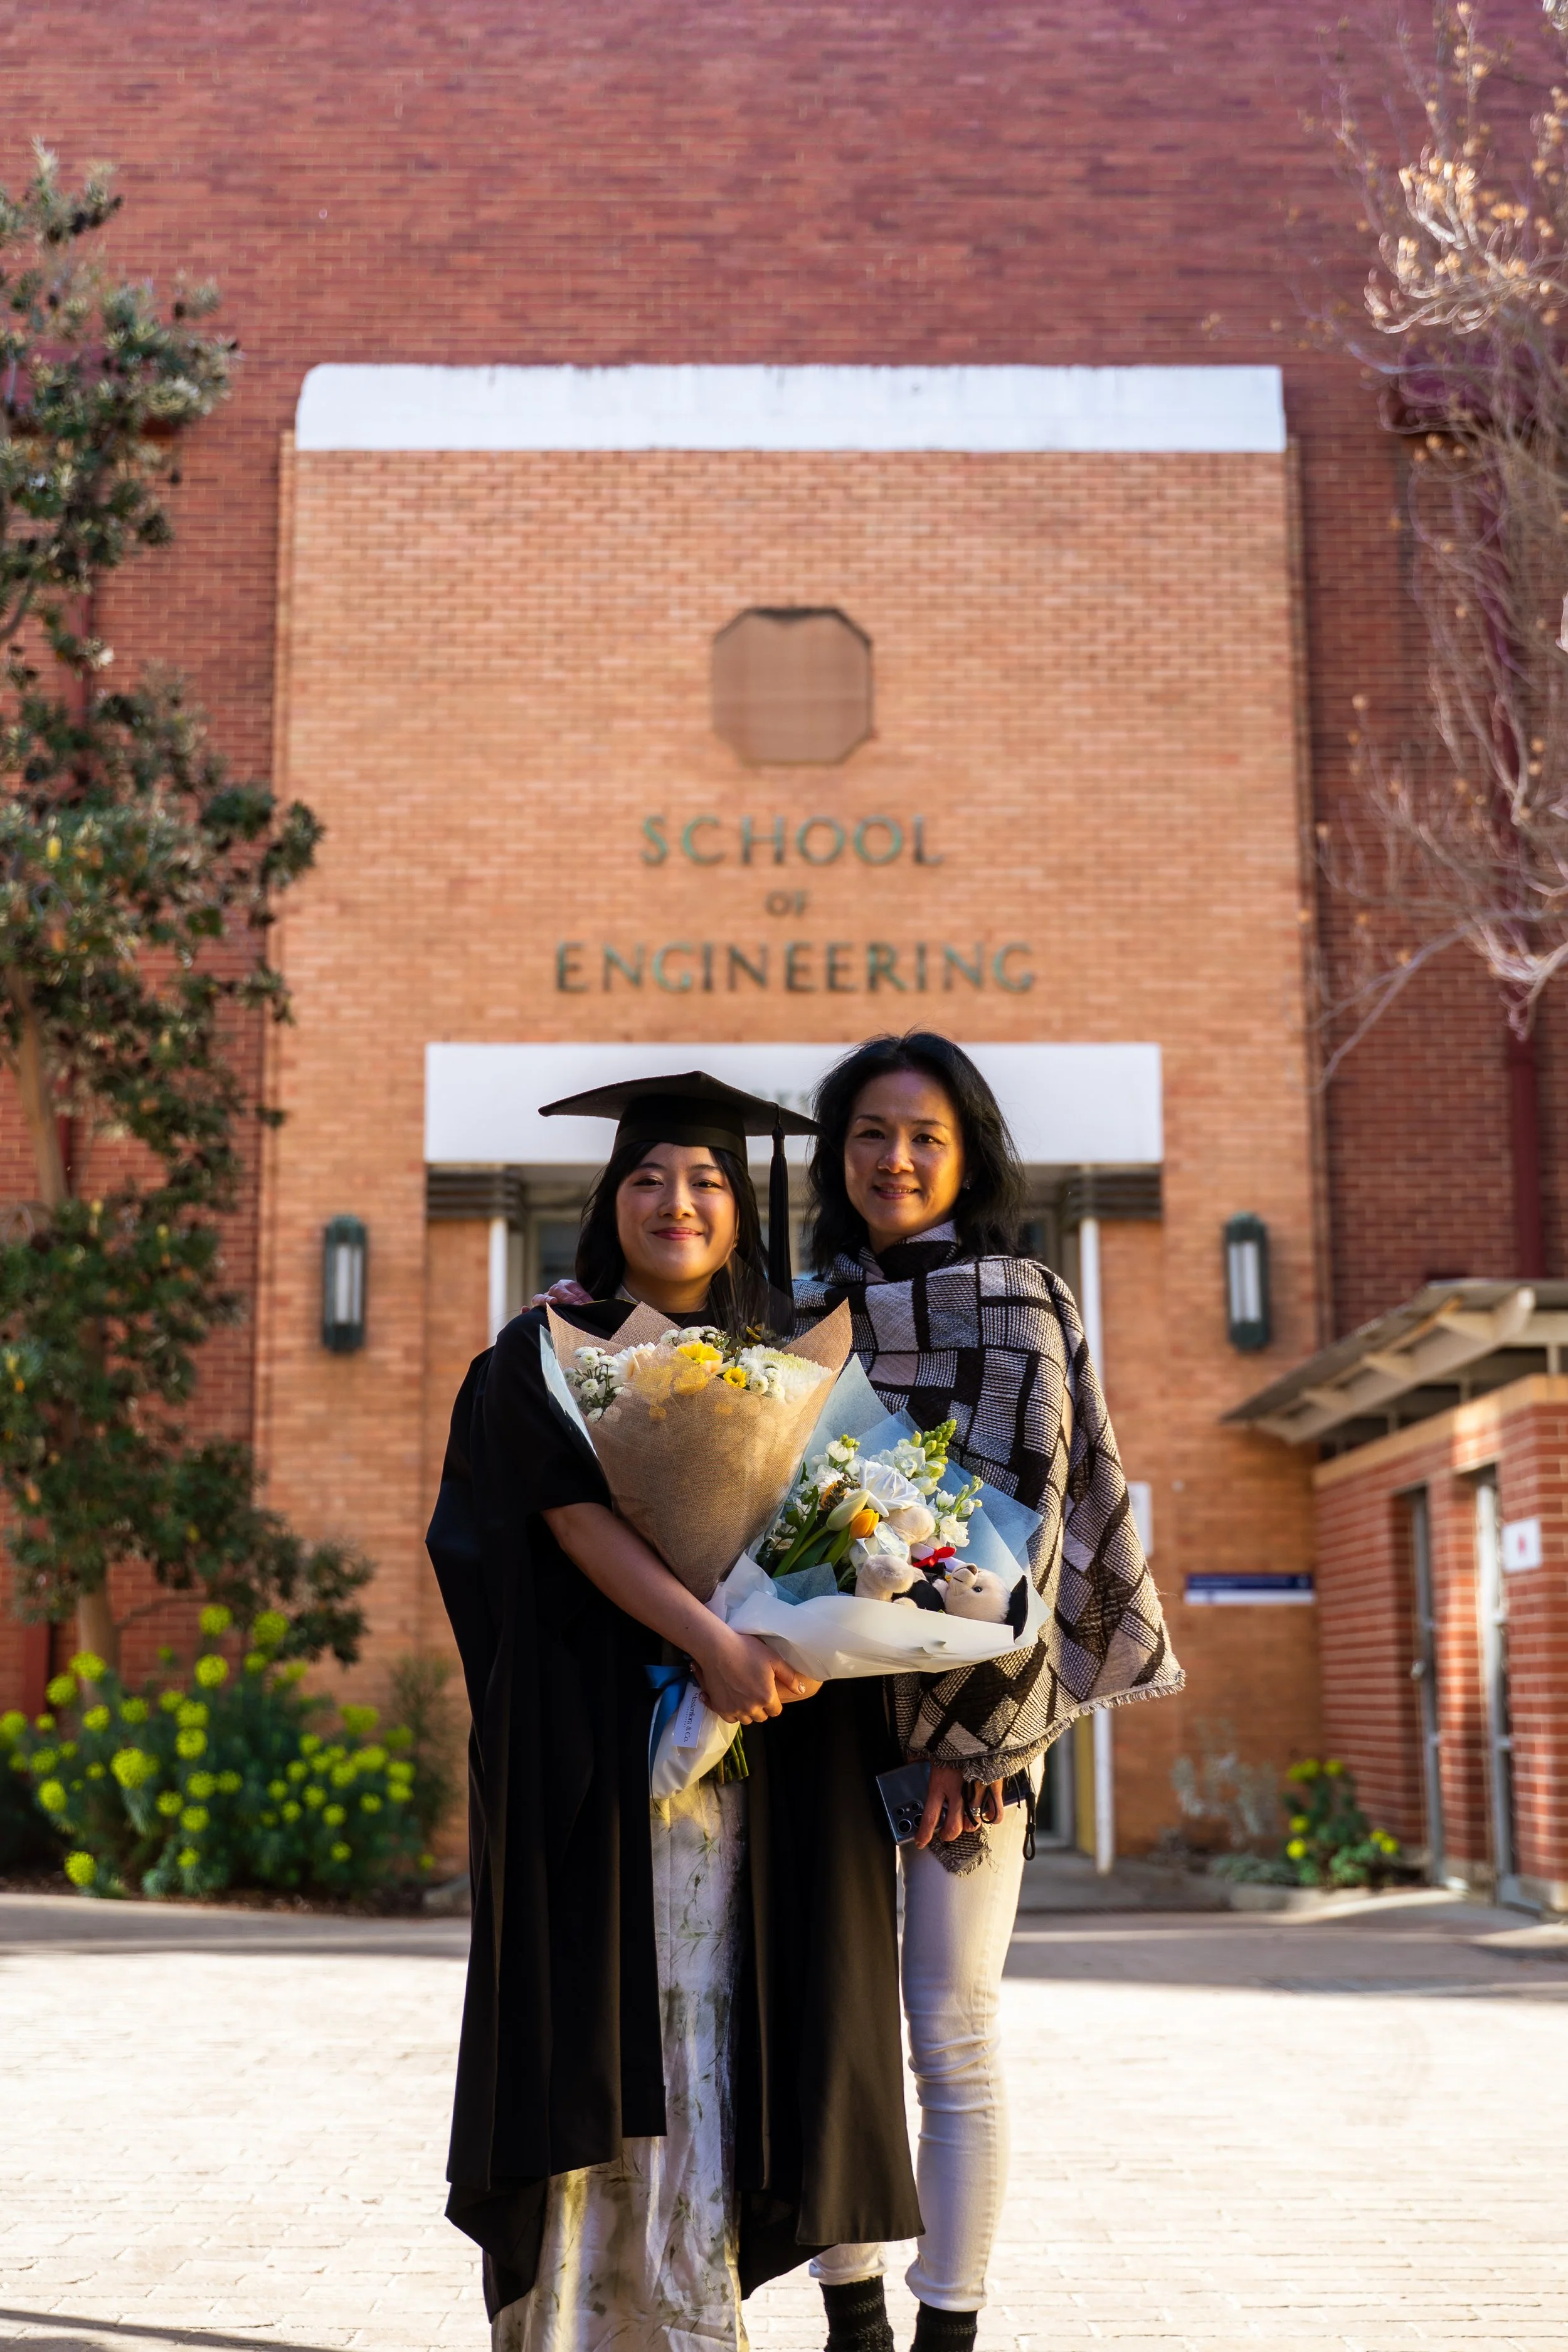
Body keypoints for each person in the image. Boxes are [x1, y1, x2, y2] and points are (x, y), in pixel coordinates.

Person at [426, 1072, 921, 2352]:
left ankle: (699, 2315)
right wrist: (708, 1637)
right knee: (608, 2028)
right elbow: (562, 1516)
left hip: (756, 1774)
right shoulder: (540, 1352)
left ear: (738, 1207)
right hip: (598, 1771)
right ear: (609, 1201)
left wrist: (810, 1634)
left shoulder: (799, 1358)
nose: (675, 1199)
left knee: (718, 2031)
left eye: (703, 1178)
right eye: (646, 1176)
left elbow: (848, 1530)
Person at [794, 1033, 1184, 2352]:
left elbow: (1027, 1525)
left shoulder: (1011, 1298)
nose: (893, 1159)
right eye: (868, 1134)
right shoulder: (801, 1305)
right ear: (834, 1152)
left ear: (965, 1155)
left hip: (970, 1726)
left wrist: (972, 1739)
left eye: (923, 1137)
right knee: (824, 2021)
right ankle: (848, 2318)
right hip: (808, 1710)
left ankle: (947, 2327)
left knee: (948, 2028)